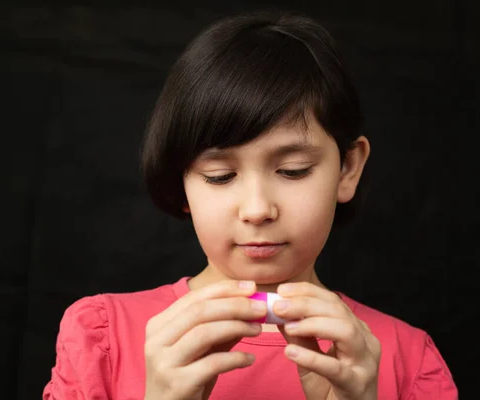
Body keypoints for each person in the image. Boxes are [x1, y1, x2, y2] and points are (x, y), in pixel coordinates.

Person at [43, 11, 458, 400]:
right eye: (220, 176)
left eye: (293, 170)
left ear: (348, 168)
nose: (257, 210)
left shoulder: (408, 359)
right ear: (181, 183)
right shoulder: (103, 336)